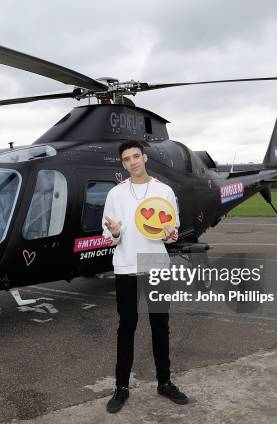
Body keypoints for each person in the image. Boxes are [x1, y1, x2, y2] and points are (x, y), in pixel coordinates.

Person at [102, 140, 189, 413]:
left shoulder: (164, 191)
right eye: (126, 159)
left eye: (136, 156)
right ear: (123, 163)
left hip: (155, 262)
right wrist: (115, 232)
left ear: (145, 157)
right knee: (126, 327)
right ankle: (121, 387)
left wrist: (169, 233)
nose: (132, 162)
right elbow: (108, 235)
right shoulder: (115, 194)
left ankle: (164, 382)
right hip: (126, 265)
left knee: (160, 326)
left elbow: (173, 228)